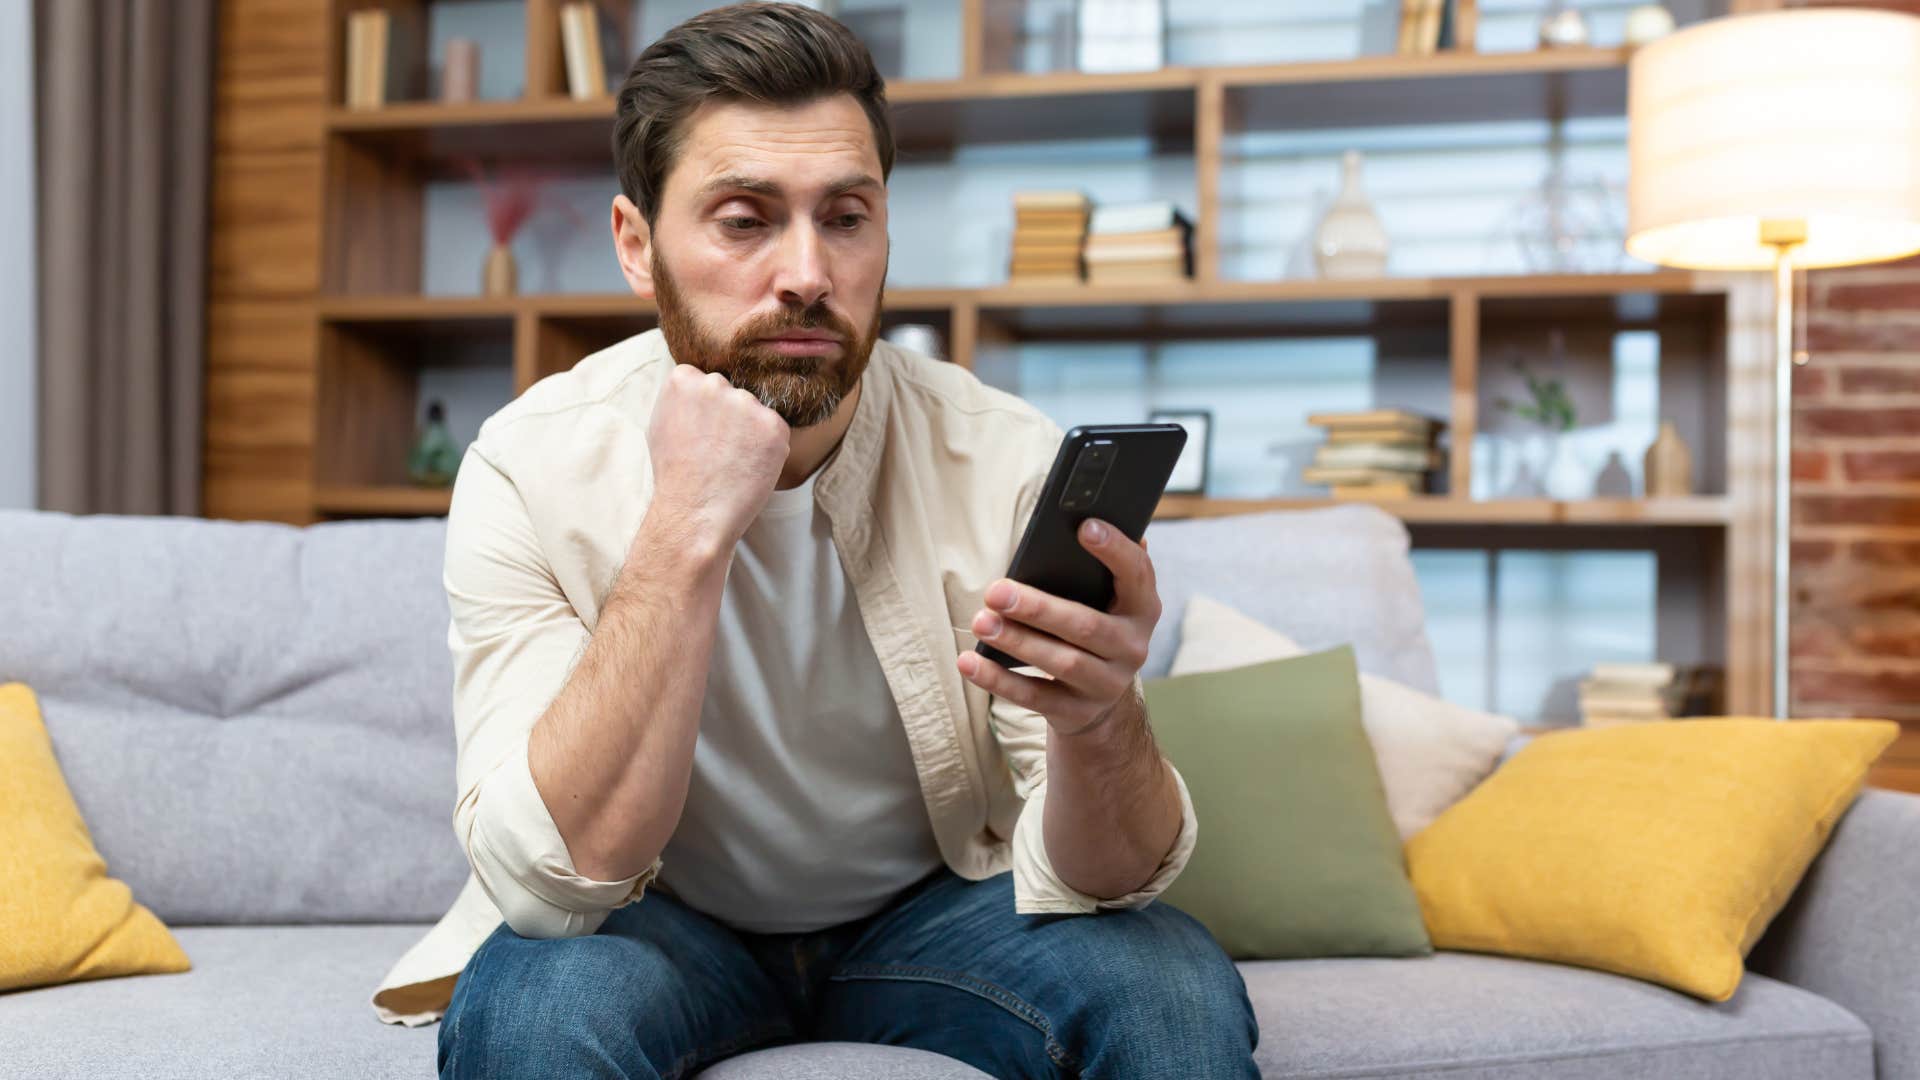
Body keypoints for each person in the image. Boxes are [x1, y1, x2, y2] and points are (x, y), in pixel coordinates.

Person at [375, 4, 1260, 1076]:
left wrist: (1101, 720)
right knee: (532, 1014)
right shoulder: (528, 466)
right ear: (636, 245)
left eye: (845, 216)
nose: (806, 271)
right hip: (660, 923)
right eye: (745, 219)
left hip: (928, 915)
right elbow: (555, 877)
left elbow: (1110, 879)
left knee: (1166, 987)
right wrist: (684, 531)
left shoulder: (1007, 458)